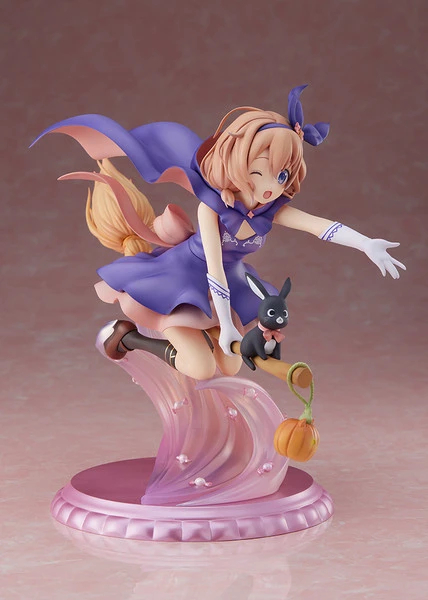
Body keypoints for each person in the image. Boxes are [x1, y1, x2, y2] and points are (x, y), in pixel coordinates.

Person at [33, 85, 405, 380]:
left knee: (230, 365)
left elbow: (319, 226)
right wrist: (226, 324)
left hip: (229, 282)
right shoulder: (212, 208)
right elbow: (213, 268)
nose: (271, 187)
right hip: (187, 278)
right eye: (260, 172)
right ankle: (127, 337)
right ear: (236, 163)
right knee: (199, 368)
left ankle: (200, 347)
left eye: (282, 175)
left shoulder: (269, 210)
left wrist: (365, 244)